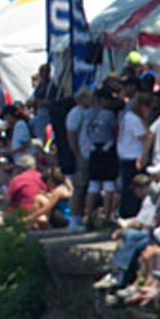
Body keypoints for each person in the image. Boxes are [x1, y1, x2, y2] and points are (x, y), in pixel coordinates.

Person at [84, 88, 118, 223]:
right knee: (109, 184)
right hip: (107, 148)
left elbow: (86, 130)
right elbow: (114, 130)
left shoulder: (88, 114)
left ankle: (88, 216)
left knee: (93, 184)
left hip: (93, 148)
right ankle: (107, 215)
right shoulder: (109, 114)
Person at [117, 93, 151, 218]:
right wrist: (143, 156)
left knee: (128, 187)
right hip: (134, 156)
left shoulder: (127, 117)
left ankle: (127, 213)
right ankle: (131, 214)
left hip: (126, 155)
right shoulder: (134, 119)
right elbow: (146, 137)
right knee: (135, 189)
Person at [65, 86, 93, 231]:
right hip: (82, 153)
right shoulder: (76, 112)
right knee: (79, 187)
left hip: (92, 153)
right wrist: (76, 152)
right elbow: (71, 134)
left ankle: (84, 217)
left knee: (89, 187)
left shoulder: (90, 111)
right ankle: (74, 220)